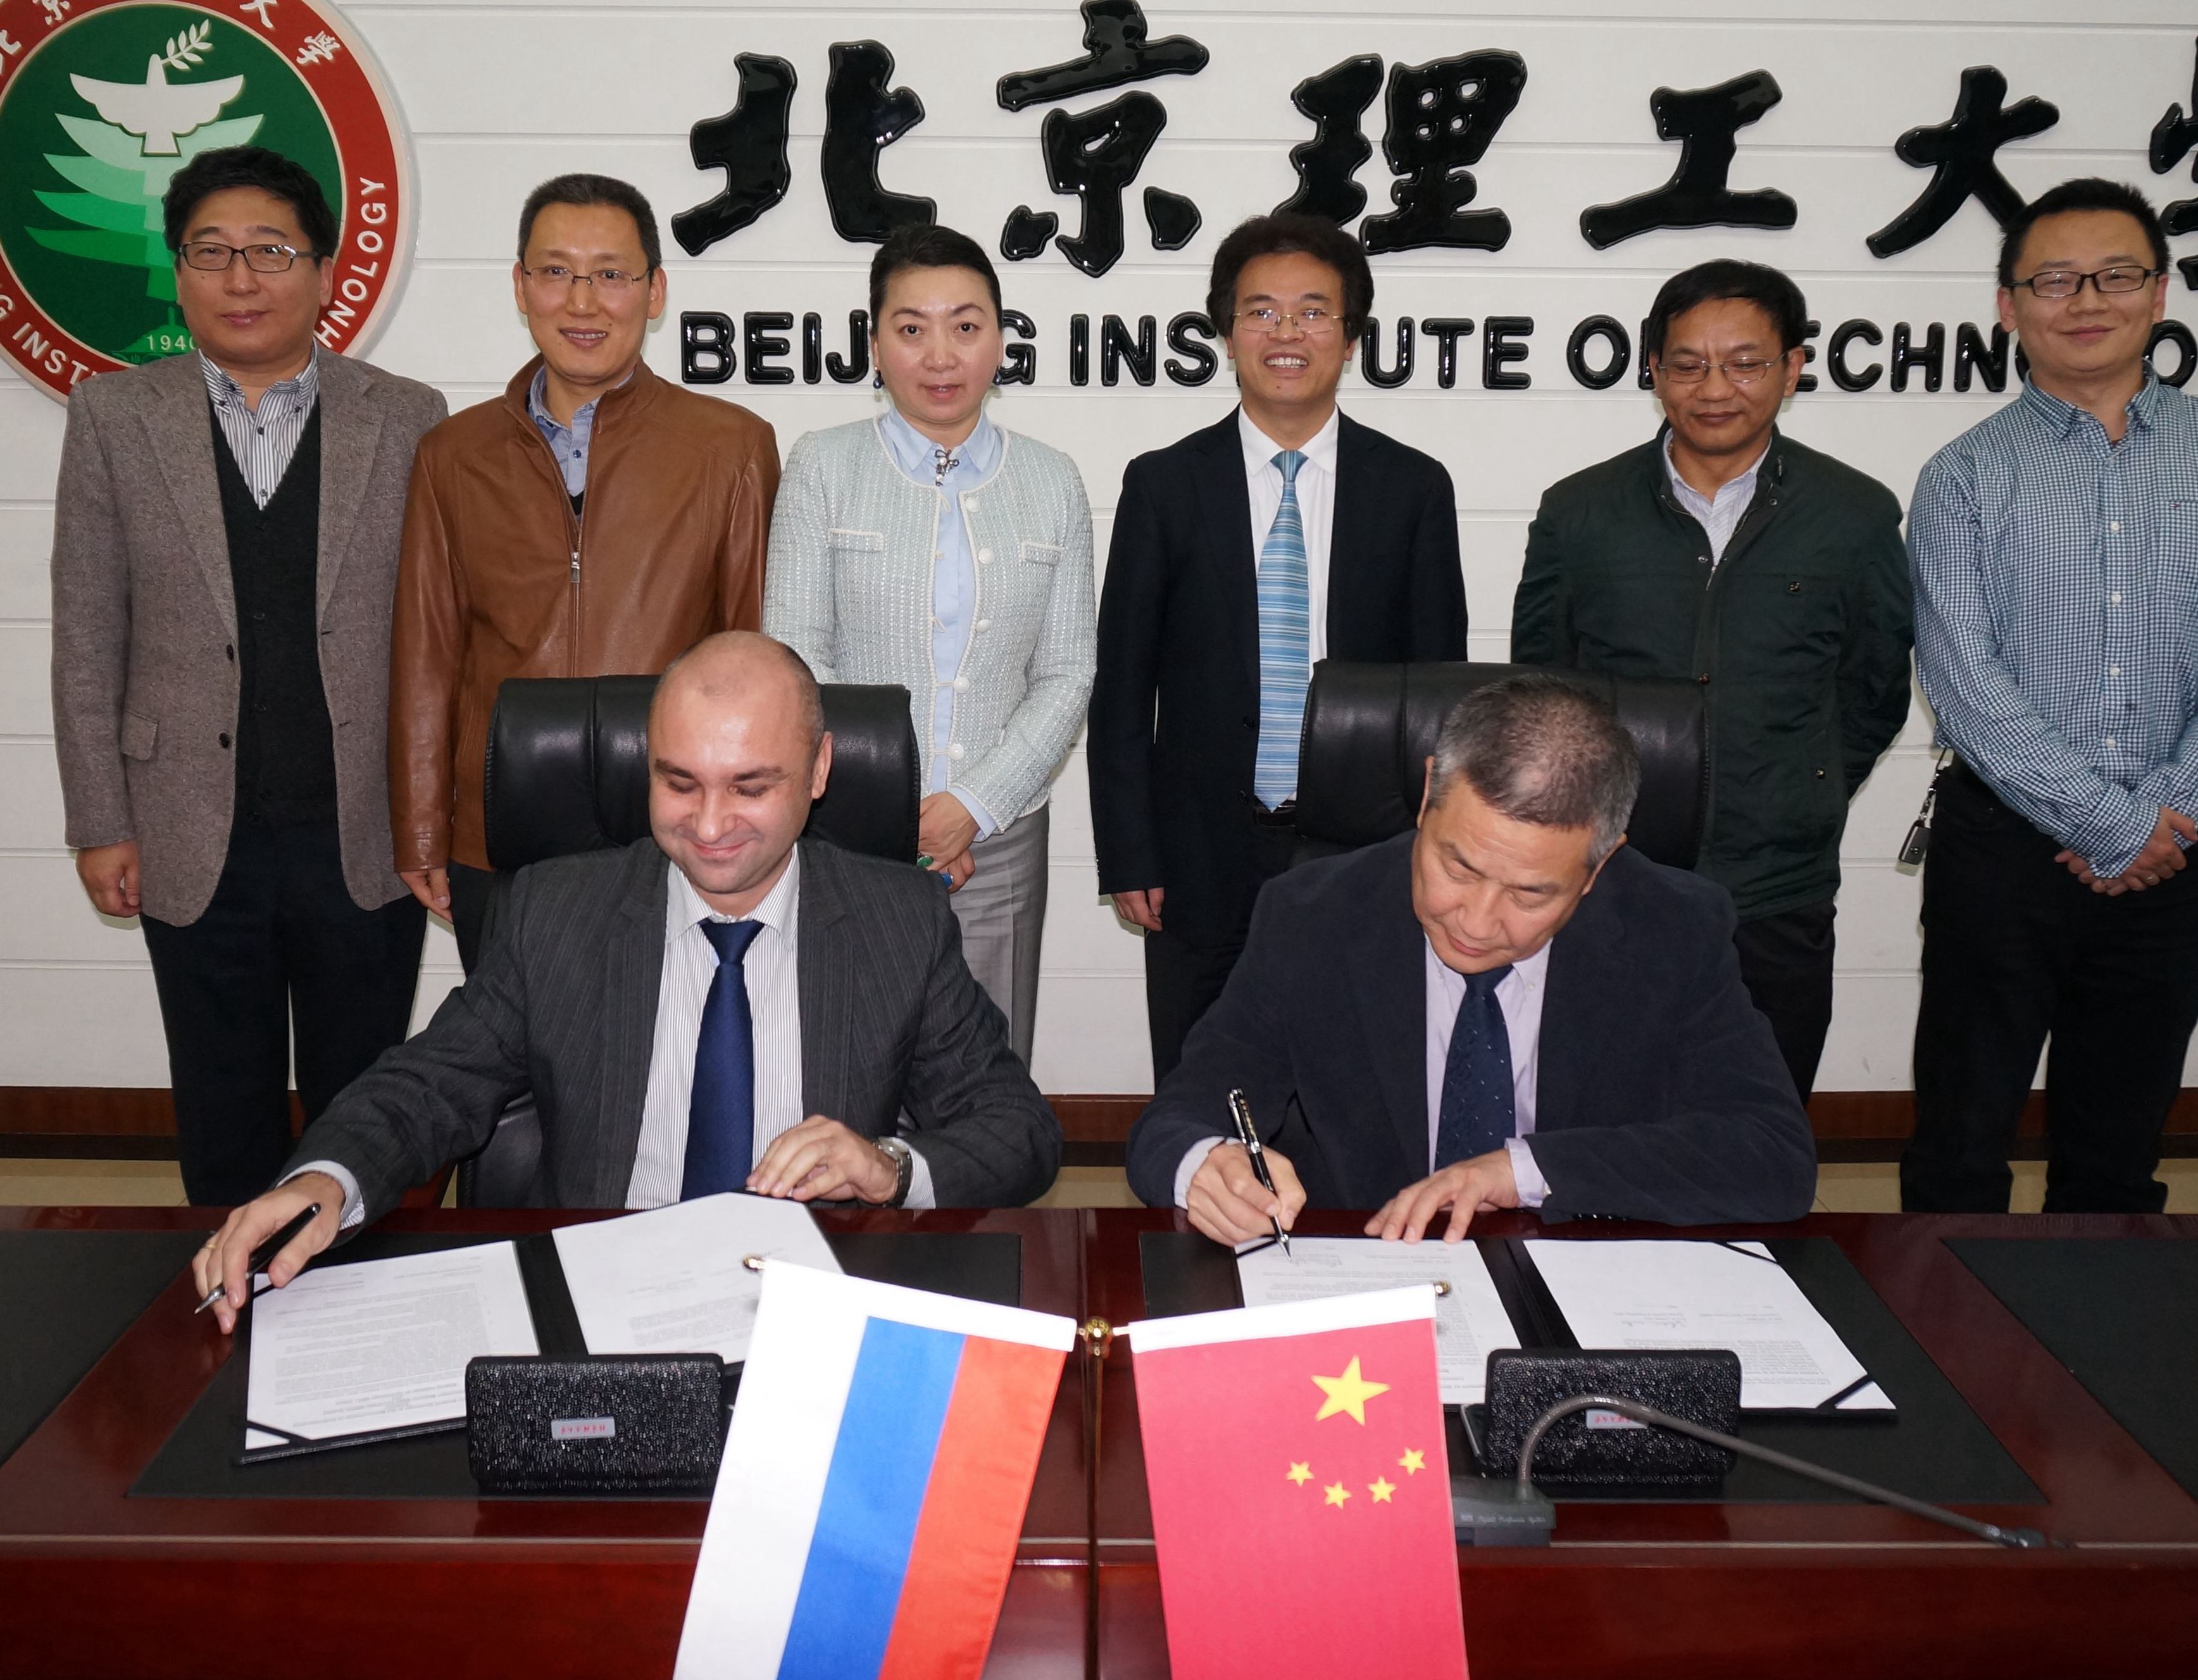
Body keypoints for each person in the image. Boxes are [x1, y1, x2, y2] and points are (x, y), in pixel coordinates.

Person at [192, 632, 1062, 1326]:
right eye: (680, 783)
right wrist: (325, 1179)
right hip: (601, 1296)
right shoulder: (557, 912)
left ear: (821, 769)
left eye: (749, 787)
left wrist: (888, 1167)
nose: (710, 825)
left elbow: (1018, 1130)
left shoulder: (898, 920)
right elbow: (428, 1085)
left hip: (814, 1306)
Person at [51, 147, 447, 1207]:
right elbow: (87, 634)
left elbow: (439, 633)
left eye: (271, 251)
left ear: (325, 272)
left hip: (361, 829)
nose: (241, 278)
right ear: (177, 273)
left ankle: (365, 1288)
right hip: (185, 825)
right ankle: (228, 1287)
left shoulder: (407, 415)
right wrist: (101, 821)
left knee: (363, 1102)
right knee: (221, 1102)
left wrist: (434, 817)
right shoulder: (114, 417)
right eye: (211, 252)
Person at [1125, 675, 1816, 1243]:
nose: (1477, 923)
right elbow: (1176, 1120)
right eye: (1457, 867)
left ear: (1599, 865)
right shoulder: (1312, 916)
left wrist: (1523, 1171)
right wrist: (1203, 1164)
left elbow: (1773, 1155)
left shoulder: (1672, 929)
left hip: (1580, 1278)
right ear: (1429, 793)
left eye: (1529, 893)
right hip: (1371, 1277)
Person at [1906, 178, 2198, 1214]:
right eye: (2055, 280)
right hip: (2000, 851)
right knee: (1960, 1147)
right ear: (2009, 305)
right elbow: (1962, 680)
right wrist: (2109, 823)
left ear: (2159, 293)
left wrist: (2163, 816)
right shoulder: (1962, 474)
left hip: (2174, 851)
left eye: (2116, 275)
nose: (2087, 300)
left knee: (2117, 1159)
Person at [1513, 261, 1913, 1105]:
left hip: (1777, 885)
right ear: (1652, 370)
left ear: (1792, 367)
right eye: (1688, 364)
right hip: (1611, 874)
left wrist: (1801, 784)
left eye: (1745, 363)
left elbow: (1873, 686)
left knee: (1761, 1116)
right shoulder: (1578, 512)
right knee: (1594, 1119)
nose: (1715, 388)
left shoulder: (1855, 514)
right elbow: (1542, 687)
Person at [1089, 213, 1468, 1083]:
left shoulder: (1412, 488)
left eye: (1312, 312)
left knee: (1352, 1077)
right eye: (1261, 312)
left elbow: (1437, 692)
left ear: (1351, 337)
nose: (1286, 332)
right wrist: (1130, 852)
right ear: (1227, 335)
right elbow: (1123, 689)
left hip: (1362, 844)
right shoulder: (1164, 484)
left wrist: (1432, 841)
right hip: (1195, 850)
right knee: (1198, 1075)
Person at [390, 173, 779, 971]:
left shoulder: (731, 446)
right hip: (499, 834)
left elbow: (753, 655)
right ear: (520, 286)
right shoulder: (453, 454)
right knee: (513, 1042)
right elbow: (427, 659)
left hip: (676, 830)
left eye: (610, 274)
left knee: (665, 1044)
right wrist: (424, 830)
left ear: (654, 291)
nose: (582, 301)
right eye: (556, 271)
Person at [764, 225, 1094, 1065]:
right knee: (846, 1064)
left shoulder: (1052, 479)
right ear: (875, 344)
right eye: (911, 328)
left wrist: (972, 805)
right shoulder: (823, 466)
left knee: (986, 1072)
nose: (940, 355)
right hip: (848, 836)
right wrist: (889, 809)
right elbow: (796, 654)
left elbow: (1066, 671)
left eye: (966, 325)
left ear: (1000, 339)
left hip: (999, 838)